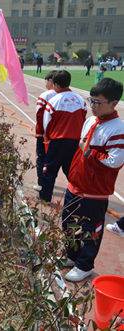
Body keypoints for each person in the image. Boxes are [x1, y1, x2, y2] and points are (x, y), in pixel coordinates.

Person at [62, 78, 124, 282]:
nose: (93, 106)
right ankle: (71, 256)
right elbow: (81, 147)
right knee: (68, 223)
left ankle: (84, 265)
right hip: (75, 184)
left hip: (94, 192)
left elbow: (115, 161)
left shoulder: (118, 128)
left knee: (91, 230)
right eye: (91, 101)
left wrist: (90, 153)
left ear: (114, 103)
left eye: (98, 102)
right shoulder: (90, 120)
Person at [39, 70, 87, 202]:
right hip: (75, 142)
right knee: (71, 171)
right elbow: (84, 119)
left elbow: (46, 124)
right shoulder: (80, 100)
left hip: (57, 141)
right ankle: (78, 196)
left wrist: (47, 138)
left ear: (56, 85)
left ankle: (45, 198)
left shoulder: (54, 101)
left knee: (49, 171)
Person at [34, 71, 57, 192]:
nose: (45, 83)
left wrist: (40, 132)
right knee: (52, 159)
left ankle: (41, 183)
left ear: (50, 81)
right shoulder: (62, 96)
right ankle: (48, 182)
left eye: (46, 80)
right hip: (58, 135)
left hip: (43, 133)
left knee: (41, 157)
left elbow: (39, 115)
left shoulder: (45, 95)